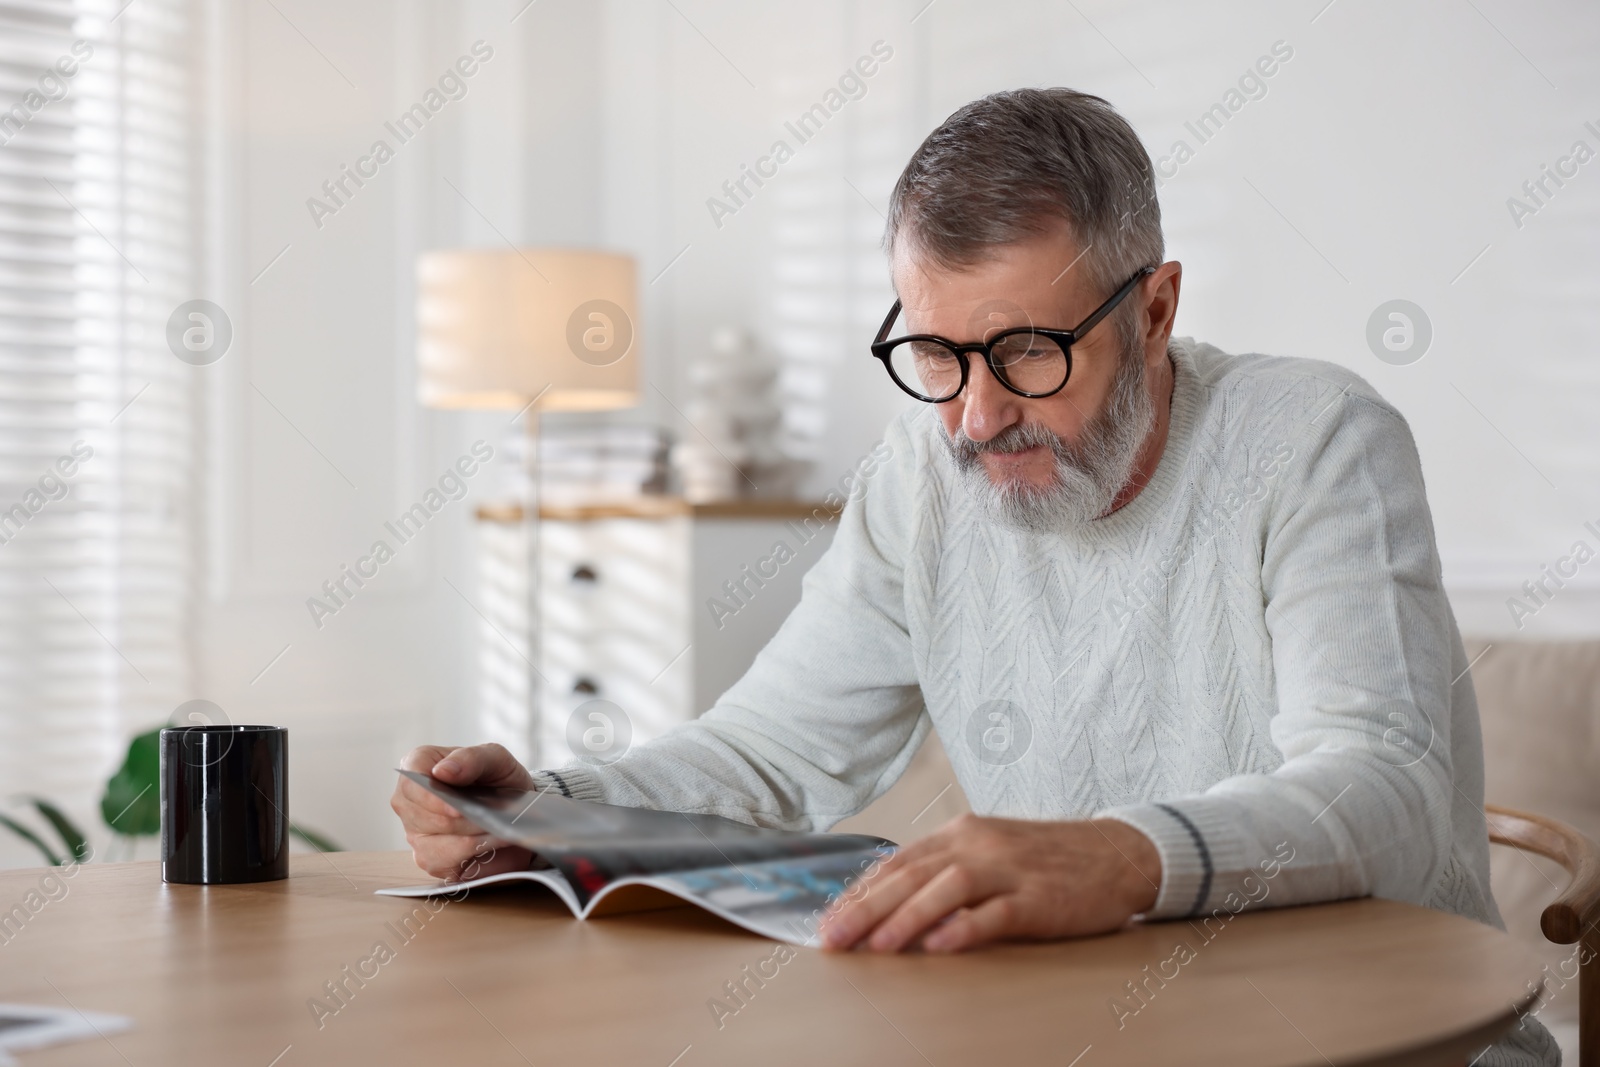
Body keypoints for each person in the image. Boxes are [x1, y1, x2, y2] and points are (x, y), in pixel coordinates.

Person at [392, 88, 1553, 1065]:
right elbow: (774, 750)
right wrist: (546, 805)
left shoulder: (1313, 438)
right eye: (937, 353)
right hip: (1089, 1031)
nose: (977, 415)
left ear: (1153, 309)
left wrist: (1113, 855)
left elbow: (1386, 788)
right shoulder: (919, 473)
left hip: (1389, 1038)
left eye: (1029, 352)